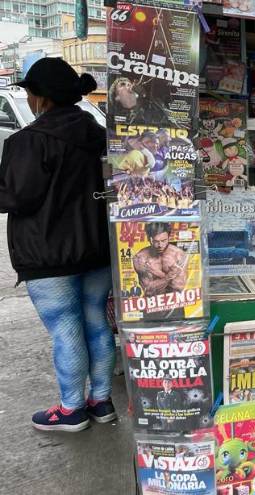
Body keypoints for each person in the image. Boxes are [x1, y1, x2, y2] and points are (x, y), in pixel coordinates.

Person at [0, 58, 114, 432]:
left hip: (48, 254)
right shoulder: (100, 136)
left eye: (30, 93)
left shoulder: (28, 142)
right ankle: (101, 401)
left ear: (42, 98)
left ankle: (71, 409)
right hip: (97, 249)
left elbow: (17, 197)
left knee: (65, 328)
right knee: (96, 321)